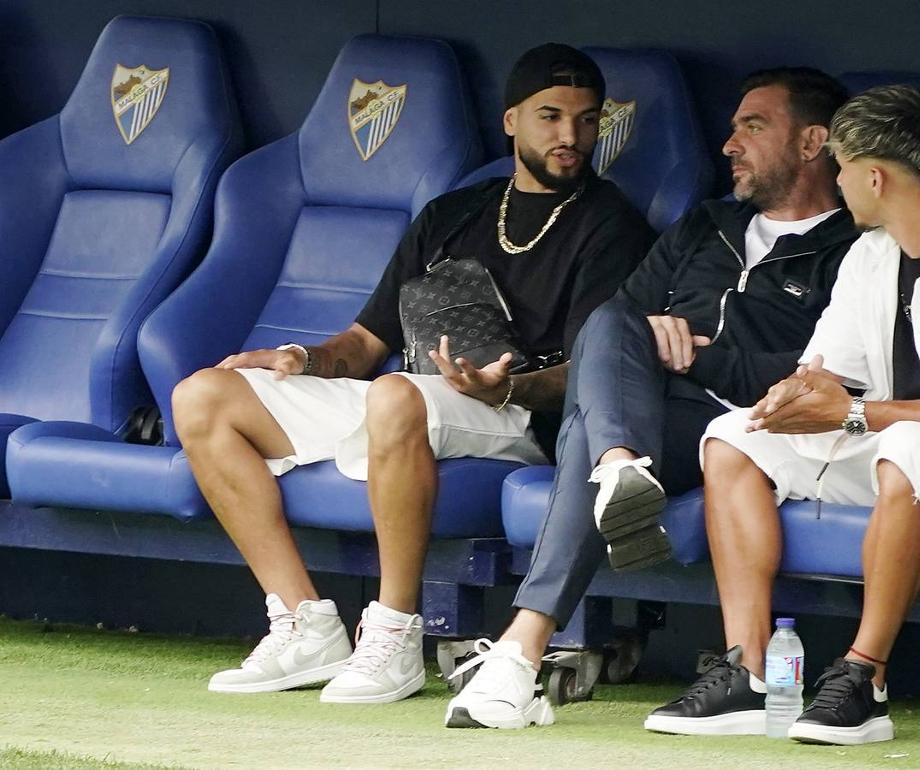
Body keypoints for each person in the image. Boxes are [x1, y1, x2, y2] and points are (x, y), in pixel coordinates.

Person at [171, 43, 653, 704]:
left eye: (587, 120)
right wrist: (306, 360)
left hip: (523, 412)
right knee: (202, 396)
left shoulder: (611, 223)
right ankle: (303, 622)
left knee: (396, 397)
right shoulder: (454, 213)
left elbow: (598, 370)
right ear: (511, 120)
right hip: (418, 396)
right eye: (551, 116)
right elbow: (368, 341)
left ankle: (394, 634)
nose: (571, 136)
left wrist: (505, 386)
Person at [647, 85, 920, 743]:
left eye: (844, 168)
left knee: (906, 447)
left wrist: (850, 412)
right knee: (732, 435)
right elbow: (824, 368)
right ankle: (749, 670)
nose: (838, 180)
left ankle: (866, 677)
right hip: (891, 441)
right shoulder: (872, 254)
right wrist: (791, 400)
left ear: (875, 177)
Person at [444, 67, 860, 730]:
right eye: (731, 129)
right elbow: (615, 327)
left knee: (588, 430)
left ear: (812, 142)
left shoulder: (857, 247)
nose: (730, 145)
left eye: (752, 127)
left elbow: (827, 373)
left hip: (754, 430)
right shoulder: (706, 225)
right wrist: (647, 345)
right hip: (658, 418)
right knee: (609, 326)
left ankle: (521, 654)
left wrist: (700, 352)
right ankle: (618, 468)